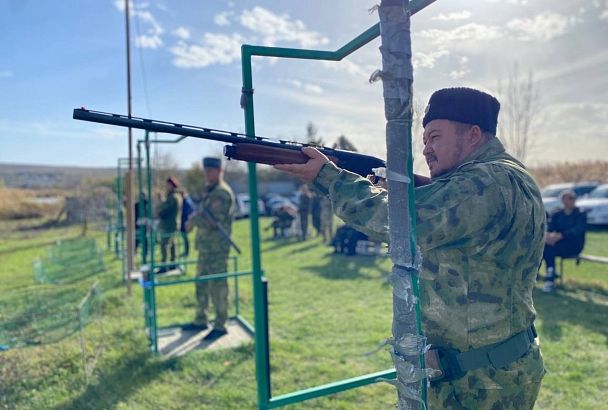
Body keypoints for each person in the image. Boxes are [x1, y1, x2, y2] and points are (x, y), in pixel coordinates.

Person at [275, 87, 546, 409]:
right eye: (425, 140)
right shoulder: (506, 174)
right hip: (496, 367)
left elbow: (396, 222)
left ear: (473, 135)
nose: (427, 149)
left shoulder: (482, 182)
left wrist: (329, 178)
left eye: (435, 137)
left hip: (477, 382)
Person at [184, 157, 236, 341]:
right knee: (201, 283)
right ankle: (201, 319)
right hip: (206, 248)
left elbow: (213, 221)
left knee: (218, 286)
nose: (207, 174)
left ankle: (221, 324)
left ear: (219, 171)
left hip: (217, 249)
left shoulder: (221, 193)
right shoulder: (210, 190)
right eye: (205, 170)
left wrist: (192, 221)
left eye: (211, 171)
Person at [542, 189, 587, 292]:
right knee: (545, 247)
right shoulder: (557, 213)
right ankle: (549, 274)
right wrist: (548, 236)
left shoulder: (580, 213)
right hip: (557, 243)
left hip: (574, 245)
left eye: (574, 198)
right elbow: (550, 227)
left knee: (549, 248)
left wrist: (561, 235)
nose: (573, 200)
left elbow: (578, 230)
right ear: (563, 200)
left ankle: (550, 277)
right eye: (570, 198)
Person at [156, 177, 181, 273]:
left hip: (169, 224)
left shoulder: (173, 198)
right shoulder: (173, 196)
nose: (166, 187)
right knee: (172, 245)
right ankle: (173, 263)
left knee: (164, 245)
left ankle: (164, 265)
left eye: (167, 185)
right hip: (171, 224)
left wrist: (159, 211)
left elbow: (166, 210)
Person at [179, 190, 196, 257]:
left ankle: (187, 252)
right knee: (184, 237)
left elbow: (191, 210)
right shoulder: (183, 201)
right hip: (182, 221)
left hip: (186, 221)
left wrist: (189, 221)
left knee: (185, 237)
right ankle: (186, 251)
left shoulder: (187, 201)